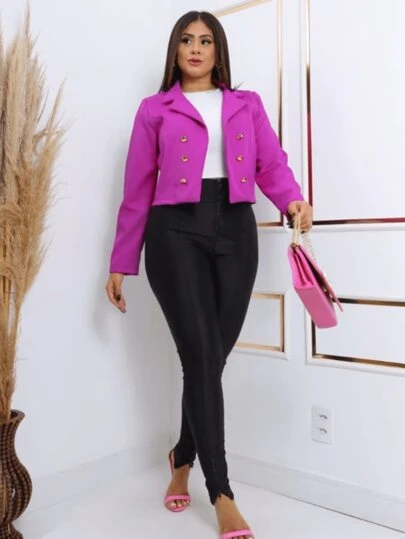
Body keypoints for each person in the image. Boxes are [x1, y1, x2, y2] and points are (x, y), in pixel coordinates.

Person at [105, 10, 313, 539]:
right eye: (185, 40)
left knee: (209, 359)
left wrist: (292, 200)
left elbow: (271, 164)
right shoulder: (155, 109)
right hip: (174, 231)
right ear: (175, 51)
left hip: (236, 229)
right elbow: (136, 187)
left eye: (205, 40)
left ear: (218, 50)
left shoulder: (246, 104)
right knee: (200, 356)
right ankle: (221, 492)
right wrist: (121, 261)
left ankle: (181, 455)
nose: (195, 48)